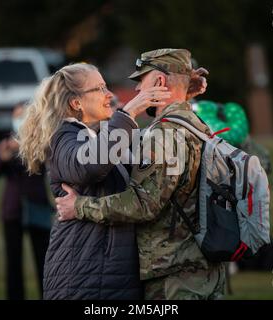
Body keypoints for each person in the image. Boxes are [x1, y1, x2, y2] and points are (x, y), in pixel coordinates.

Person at [56, 49, 226, 300]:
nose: (136, 90)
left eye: (140, 81)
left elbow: (143, 204)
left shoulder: (164, 135)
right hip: (200, 268)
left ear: (158, 82)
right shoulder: (195, 124)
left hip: (175, 276)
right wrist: (180, 92)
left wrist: (79, 206)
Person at [18, 62, 171, 300]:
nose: (110, 95)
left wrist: (182, 94)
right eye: (99, 88)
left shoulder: (100, 135)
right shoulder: (62, 138)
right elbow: (87, 166)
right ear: (76, 103)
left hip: (109, 272)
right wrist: (127, 113)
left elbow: (158, 144)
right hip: (83, 274)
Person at [0, 104, 52, 300]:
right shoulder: (7, 141)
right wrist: (3, 158)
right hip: (13, 208)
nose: (20, 119)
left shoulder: (42, 139)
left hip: (37, 205)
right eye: (16, 116)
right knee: (13, 260)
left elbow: (48, 165)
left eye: (23, 115)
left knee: (43, 259)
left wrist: (29, 145)